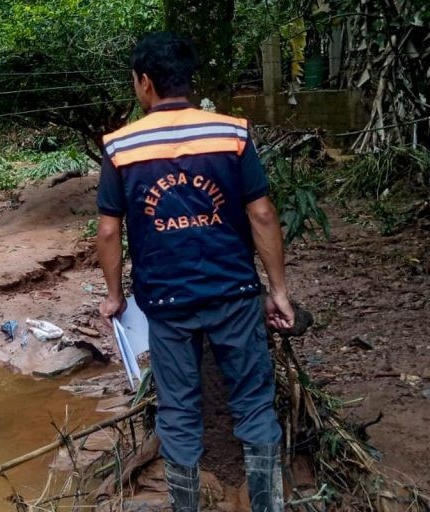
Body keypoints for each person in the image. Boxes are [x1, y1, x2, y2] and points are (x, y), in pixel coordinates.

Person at [95, 32, 294, 512]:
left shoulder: (121, 146)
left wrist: (114, 296)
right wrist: (279, 291)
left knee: (179, 413)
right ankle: (267, 505)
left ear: (144, 83)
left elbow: (107, 231)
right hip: (235, 293)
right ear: (188, 79)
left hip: (166, 303)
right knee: (252, 404)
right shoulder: (232, 132)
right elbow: (262, 214)